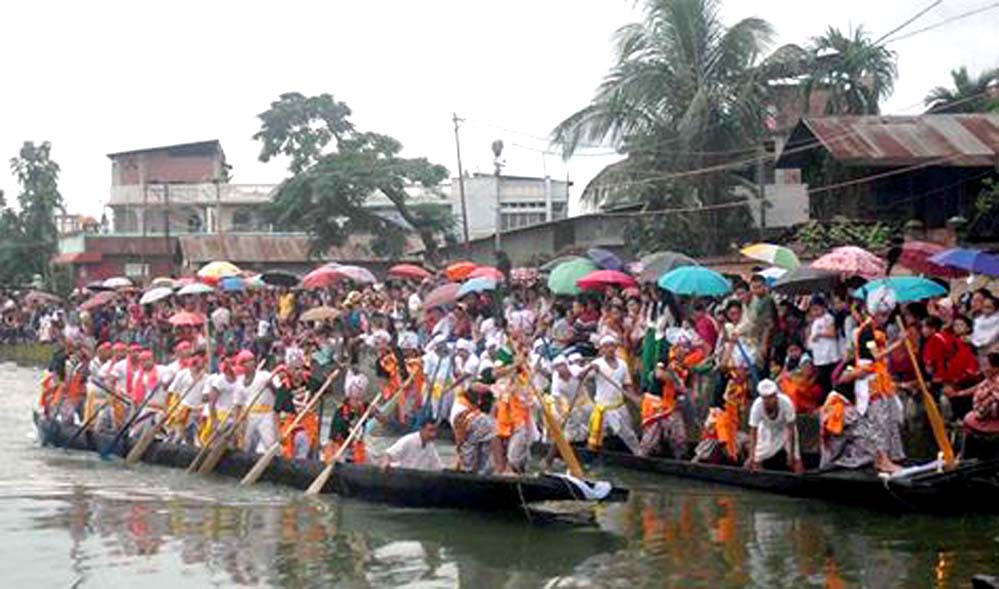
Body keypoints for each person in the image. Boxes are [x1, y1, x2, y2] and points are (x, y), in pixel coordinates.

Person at [587, 334, 642, 453]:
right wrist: (589, 369)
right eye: (606, 346)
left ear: (616, 347)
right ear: (601, 349)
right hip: (603, 408)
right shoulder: (597, 364)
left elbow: (627, 385)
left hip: (618, 406)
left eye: (612, 346)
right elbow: (581, 376)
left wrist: (634, 398)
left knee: (629, 435)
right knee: (596, 439)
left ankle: (639, 455)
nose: (610, 349)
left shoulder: (622, 364)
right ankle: (592, 459)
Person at [746, 379, 803, 473]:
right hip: (767, 429)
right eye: (765, 398)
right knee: (756, 459)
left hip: (786, 429)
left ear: (776, 396)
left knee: (796, 460)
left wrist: (791, 454)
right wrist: (751, 456)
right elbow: (753, 432)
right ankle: (760, 480)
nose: (768, 401)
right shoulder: (757, 406)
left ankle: (801, 481)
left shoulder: (786, 403)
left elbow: (791, 430)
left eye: (771, 397)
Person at [807, 295, 841, 400]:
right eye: (813, 310)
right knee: (823, 381)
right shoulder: (815, 321)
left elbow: (832, 333)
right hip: (819, 356)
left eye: (817, 309)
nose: (815, 312)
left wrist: (819, 334)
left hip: (829, 355)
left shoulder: (828, 318)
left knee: (830, 380)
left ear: (823, 307)